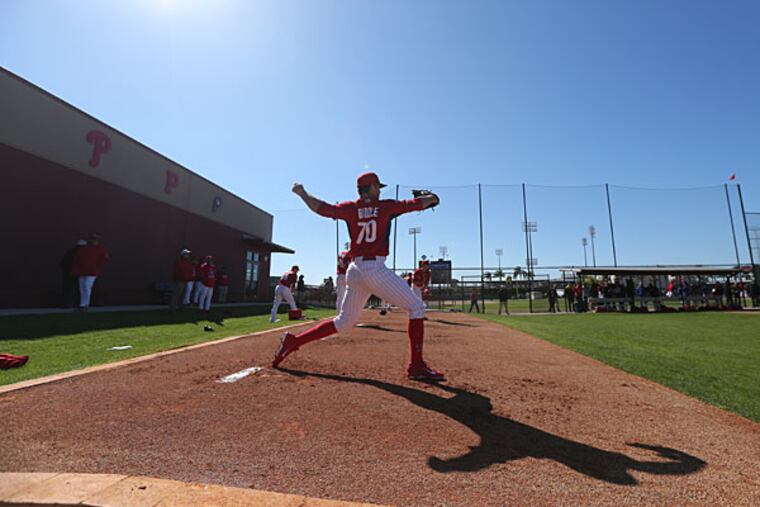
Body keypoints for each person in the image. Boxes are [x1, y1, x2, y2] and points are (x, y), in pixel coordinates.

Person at [271, 172, 443, 380]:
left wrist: (303, 194)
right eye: (377, 187)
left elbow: (323, 209)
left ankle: (293, 342)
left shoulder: (350, 208)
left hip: (355, 270)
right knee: (416, 307)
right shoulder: (385, 206)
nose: (379, 190)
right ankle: (416, 366)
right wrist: (432, 198)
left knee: (343, 322)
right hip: (375, 269)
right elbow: (414, 204)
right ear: (369, 187)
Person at [70, 233, 109, 311]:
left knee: (87, 286)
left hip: (92, 272)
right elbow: (76, 259)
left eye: (95, 240)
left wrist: (97, 268)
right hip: (81, 271)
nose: (94, 241)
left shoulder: (101, 249)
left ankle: (85, 304)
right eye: (92, 239)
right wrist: (75, 269)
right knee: (82, 287)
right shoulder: (83, 248)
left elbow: (104, 259)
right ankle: (82, 304)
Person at [59, 240, 85, 308]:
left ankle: (65, 304)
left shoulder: (69, 252)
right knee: (79, 290)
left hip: (68, 274)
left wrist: (67, 271)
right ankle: (78, 304)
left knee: (67, 290)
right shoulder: (83, 253)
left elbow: (62, 263)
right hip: (78, 274)